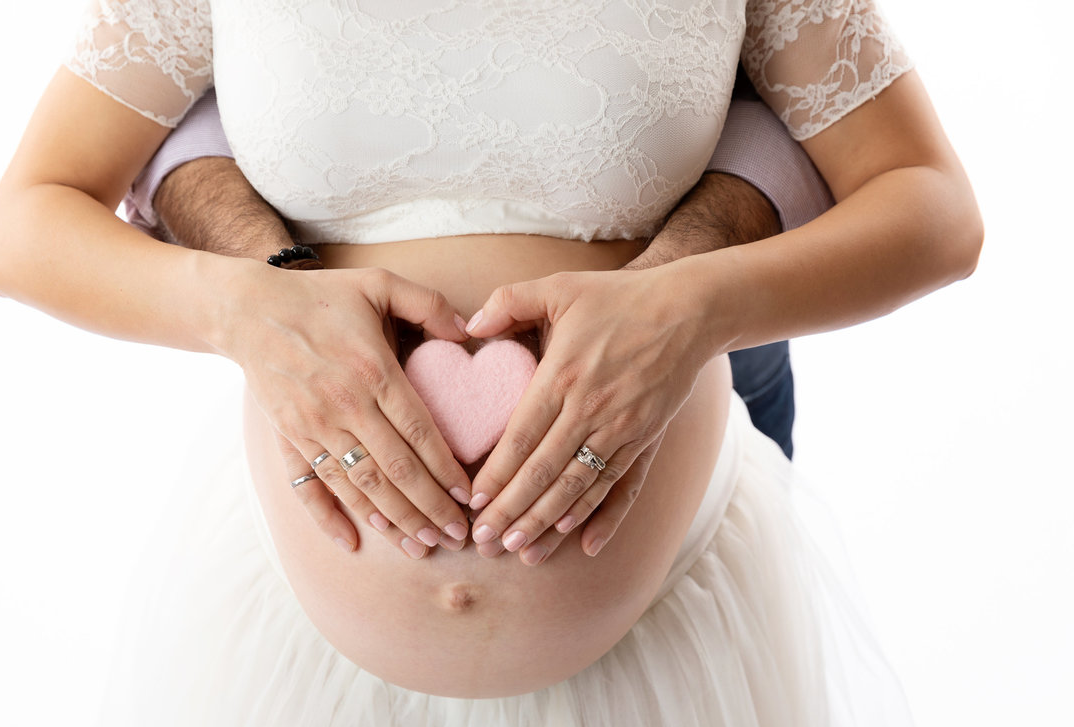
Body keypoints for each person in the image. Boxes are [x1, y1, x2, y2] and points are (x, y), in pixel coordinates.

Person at [0, 1, 982, 727]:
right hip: (290, 663)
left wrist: (688, 308)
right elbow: (29, 217)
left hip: (672, 654)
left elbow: (930, 204)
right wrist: (246, 310)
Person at [129, 74, 831, 464]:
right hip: (305, 567)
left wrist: (671, 288)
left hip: (714, 366)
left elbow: (831, 111)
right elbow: (159, 106)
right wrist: (269, 286)